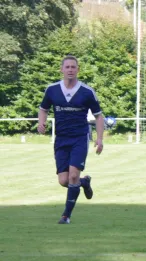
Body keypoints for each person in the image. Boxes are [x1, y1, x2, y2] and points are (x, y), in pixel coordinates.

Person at [37, 55, 104, 224]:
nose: (70, 70)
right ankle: (84, 183)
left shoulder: (87, 92)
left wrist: (100, 139)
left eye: (73, 67)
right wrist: (41, 123)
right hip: (61, 139)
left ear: (78, 70)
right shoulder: (52, 90)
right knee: (64, 181)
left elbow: (99, 116)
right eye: (67, 67)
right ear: (62, 69)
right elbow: (43, 109)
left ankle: (66, 216)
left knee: (73, 176)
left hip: (79, 139)